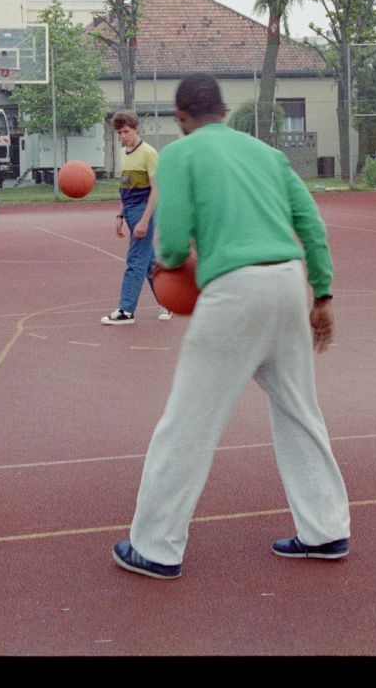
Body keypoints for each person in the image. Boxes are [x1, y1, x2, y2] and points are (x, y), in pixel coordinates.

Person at [112, 73, 350, 580]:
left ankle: (155, 546)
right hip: (288, 286)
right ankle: (325, 529)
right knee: (300, 412)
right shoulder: (266, 155)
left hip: (235, 293)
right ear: (222, 109)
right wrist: (323, 294)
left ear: (181, 118)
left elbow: (173, 239)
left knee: (187, 422)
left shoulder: (180, 154)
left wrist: (164, 265)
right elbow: (310, 222)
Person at [102, 111, 171, 324]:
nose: (123, 136)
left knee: (134, 261)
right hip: (130, 211)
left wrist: (144, 220)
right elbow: (126, 186)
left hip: (143, 210)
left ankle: (126, 310)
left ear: (136, 129)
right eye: (119, 132)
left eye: (126, 131)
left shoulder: (149, 153)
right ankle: (168, 301)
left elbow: (156, 190)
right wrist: (120, 214)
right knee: (148, 262)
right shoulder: (124, 153)